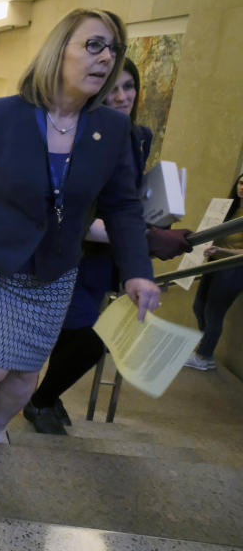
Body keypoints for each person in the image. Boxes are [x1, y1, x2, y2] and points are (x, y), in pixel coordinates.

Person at [0, 8, 160, 445]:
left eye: (113, 49)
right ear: (58, 51)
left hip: (54, 269)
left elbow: (123, 206)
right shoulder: (3, 115)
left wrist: (139, 270)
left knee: (27, 372)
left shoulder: (113, 128)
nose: (106, 58)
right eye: (93, 45)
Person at [23, 57, 192, 433]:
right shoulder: (73, 136)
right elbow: (64, 214)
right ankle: (40, 399)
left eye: (128, 86)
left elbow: (122, 201)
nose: (121, 96)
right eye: (111, 88)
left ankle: (46, 396)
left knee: (76, 335)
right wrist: (146, 238)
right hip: (68, 254)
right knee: (87, 339)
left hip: (105, 258)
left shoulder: (137, 136)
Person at [186, 173, 243, 370]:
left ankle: (204, 356)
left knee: (214, 313)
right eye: (241, 182)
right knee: (198, 306)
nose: (242, 187)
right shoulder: (231, 208)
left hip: (233, 268)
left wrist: (222, 250)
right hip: (214, 263)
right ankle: (205, 347)